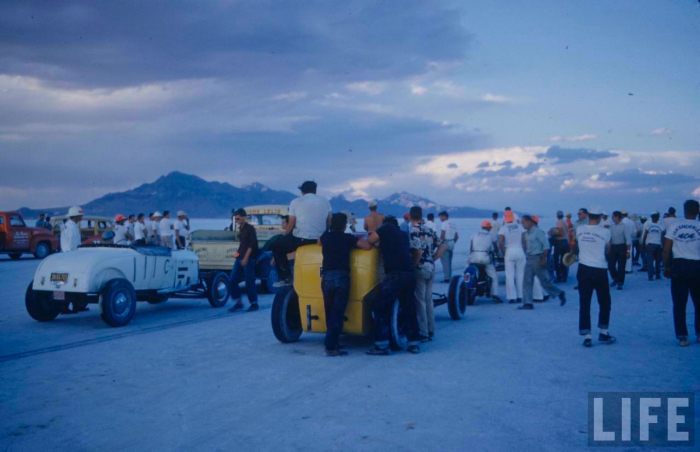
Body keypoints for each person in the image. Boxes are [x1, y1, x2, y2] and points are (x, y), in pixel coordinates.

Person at [366, 216, 422, 355]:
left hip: (395, 275)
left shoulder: (385, 228)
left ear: (385, 224)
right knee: (409, 308)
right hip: (409, 274)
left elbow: (370, 239)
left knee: (379, 306)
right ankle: (413, 343)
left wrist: (376, 243)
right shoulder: (403, 234)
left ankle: (382, 345)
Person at [318, 213, 371, 356]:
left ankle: (333, 342)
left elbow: (318, 243)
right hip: (341, 277)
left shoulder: (325, 237)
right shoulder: (347, 238)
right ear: (344, 225)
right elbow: (366, 246)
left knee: (329, 313)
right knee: (337, 313)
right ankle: (330, 347)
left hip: (326, 277)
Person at [271, 181, 331, 287]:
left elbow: (291, 224)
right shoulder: (325, 201)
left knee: (277, 246)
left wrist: (285, 235)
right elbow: (329, 222)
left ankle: (286, 278)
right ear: (315, 190)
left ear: (302, 191)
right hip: (321, 238)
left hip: (302, 239)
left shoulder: (295, 201)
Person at [574, 206, 615, 347]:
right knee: (604, 302)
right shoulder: (605, 232)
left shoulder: (579, 229)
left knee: (584, 303)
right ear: (599, 217)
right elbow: (607, 249)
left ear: (588, 216)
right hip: (599, 269)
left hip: (583, 268)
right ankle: (603, 332)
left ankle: (587, 336)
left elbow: (577, 246)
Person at [663, 199, 700, 347]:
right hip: (697, 265)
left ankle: (682, 336)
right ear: (697, 211)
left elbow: (666, 249)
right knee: (698, 303)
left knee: (679, 303)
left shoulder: (674, 226)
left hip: (678, 265)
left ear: (684, 211)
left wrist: (666, 267)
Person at [409, 206, 445, 341]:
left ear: (411, 217)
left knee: (420, 300)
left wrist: (413, 264)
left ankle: (423, 332)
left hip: (420, 268)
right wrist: (432, 258)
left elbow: (417, 252)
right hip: (431, 267)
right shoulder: (429, 230)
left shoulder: (412, 231)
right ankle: (431, 330)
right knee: (428, 300)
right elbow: (442, 246)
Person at [520, 215, 566, 310]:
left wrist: (544, 259)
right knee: (526, 281)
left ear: (529, 222)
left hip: (538, 258)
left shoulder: (538, 232)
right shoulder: (527, 233)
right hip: (530, 258)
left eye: (523, 222)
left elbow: (546, 245)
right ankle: (528, 303)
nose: (522, 224)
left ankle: (559, 293)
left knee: (544, 281)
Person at [228, 209, 260, 313]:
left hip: (248, 258)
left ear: (243, 217)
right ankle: (238, 302)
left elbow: (252, 244)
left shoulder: (250, 228)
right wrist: (237, 255)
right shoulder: (240, 229)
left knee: (249, 281)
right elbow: (242, 245)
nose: (236, 220)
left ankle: (254, 303)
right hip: (239, 257)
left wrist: (246, 258)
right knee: (232, 280)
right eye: (235, 218)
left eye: (238, 217)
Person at [469, 220, 501, 303]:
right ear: (489, 227)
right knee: (493, 276)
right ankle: (495, 295)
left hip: (473, 256)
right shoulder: (491, 235)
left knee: (467, 272)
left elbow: (471, 247)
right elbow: (496, 248)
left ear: (482, 227)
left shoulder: (474, 234)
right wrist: (496, 252)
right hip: (484, 257)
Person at [499, 210, 526, 304]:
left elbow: (500, 243)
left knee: (509, 275)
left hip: (509, 251)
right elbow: (524, 241)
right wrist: (524, 251)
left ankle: (512, 297)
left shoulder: (503, 228)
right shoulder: (520, 227)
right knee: (520, 275)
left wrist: (503, 252)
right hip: (519, 250)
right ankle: (520, 296)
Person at [608, 211, 630, 290]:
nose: (612, 218)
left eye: (613, 216)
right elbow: (609, 239)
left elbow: (628, 239)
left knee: (621, 266)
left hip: (622, 247)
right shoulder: (612, 227)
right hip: (613, 247)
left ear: (617, 217)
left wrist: (628, 251)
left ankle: (620, 282)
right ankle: (616, 278)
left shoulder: (624, 226)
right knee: (610, 265)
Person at [642, 211, 664, 281]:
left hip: (650, 244)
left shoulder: (648, 225)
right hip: (658, 244)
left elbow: (645, 236)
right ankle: (657, 275)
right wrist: (663, 245)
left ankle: (650, 276)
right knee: (658, 261)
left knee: (650, 261)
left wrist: (643, 244)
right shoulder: (661, 226)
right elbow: (663, 236)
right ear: (658, 218)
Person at [551, 210, 570, 283]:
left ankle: (559, 276)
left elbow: (560, 232)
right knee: (563, 260)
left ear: (557, 216)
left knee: (555, 260)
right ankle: (564, 276)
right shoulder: (565, 221)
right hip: (566, 242)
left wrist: (552, 233)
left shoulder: (559, 222)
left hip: (560, 242)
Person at [439, 211, 458, 282]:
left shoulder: (444, 223)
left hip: (446, 242)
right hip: (452, 242)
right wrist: (453, 242)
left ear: (444, 216)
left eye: (441, 216)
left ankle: (447, 278)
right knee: (449, 261)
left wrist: (439, 244)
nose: (440, 218)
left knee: (445, 261)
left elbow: (442, 235)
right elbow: (456, 236)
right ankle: (449, 277)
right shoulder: (453, 224)